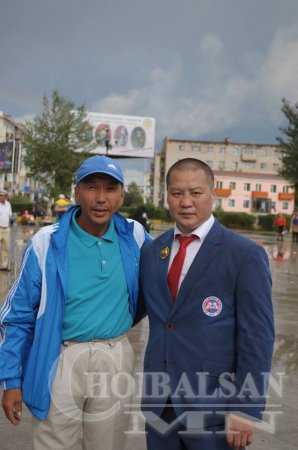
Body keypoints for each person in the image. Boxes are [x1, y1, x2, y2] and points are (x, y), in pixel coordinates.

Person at [0, 155, 151, 450]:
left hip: (115, 353)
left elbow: (160, 286)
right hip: (60, 356)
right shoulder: (47, 242)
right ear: (76, 193)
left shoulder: (135, 236)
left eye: (110, 189)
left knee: (107, 444)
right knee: (55, 444)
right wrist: (10, 380)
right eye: (91, 187)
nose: (100, 198)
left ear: (122, 196)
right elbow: (16, 316)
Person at [138, 158, 274, 450]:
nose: (186, 202)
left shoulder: (243, 254)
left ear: (213, 194)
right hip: (160, 405)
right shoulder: (152, 252)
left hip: (214, 407)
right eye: (177, 193)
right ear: (167, 196)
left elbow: (258, 337)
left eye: (195, 193)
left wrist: (247, 408)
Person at [0, 189, 12, 271]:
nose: (0, 197)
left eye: (1, 195)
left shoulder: (8, 204)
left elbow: (10, 215)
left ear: (5, 196)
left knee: (5, 248)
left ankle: (4, 265)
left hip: (6, 229)